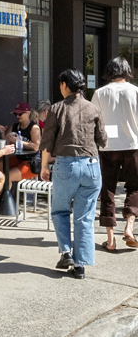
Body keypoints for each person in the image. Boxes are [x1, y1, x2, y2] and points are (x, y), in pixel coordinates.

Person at [40, 69, 107, 279]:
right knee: (84, 217)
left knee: (60, 211)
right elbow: (103, 140)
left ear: (65, 85)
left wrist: (43, 168)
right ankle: (80, 266)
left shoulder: (57, 108)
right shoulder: (93, 108)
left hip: (66, 166)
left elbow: (47, 143)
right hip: (91, 167)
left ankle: (66, 252)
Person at [91, 57, 138, 251]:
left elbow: (93, 119)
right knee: (135, 186)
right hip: (132, 144)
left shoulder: (100, 93)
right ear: (127, 71)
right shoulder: (135, 91)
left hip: (107, 146)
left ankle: (110, 240)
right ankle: (129, 227)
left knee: (107, 189)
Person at [0, 102, 41, 185]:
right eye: (15, 114)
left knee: (7, 176)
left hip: (31, 163)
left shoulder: (34, 128)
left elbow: (36, 147)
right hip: (18, 158)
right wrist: (2, 133)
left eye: (20, 114)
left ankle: (4, 197)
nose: (17, 116)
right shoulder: (15, 126)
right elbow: (5, 143)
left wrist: (18, 141)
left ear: (28, 113)